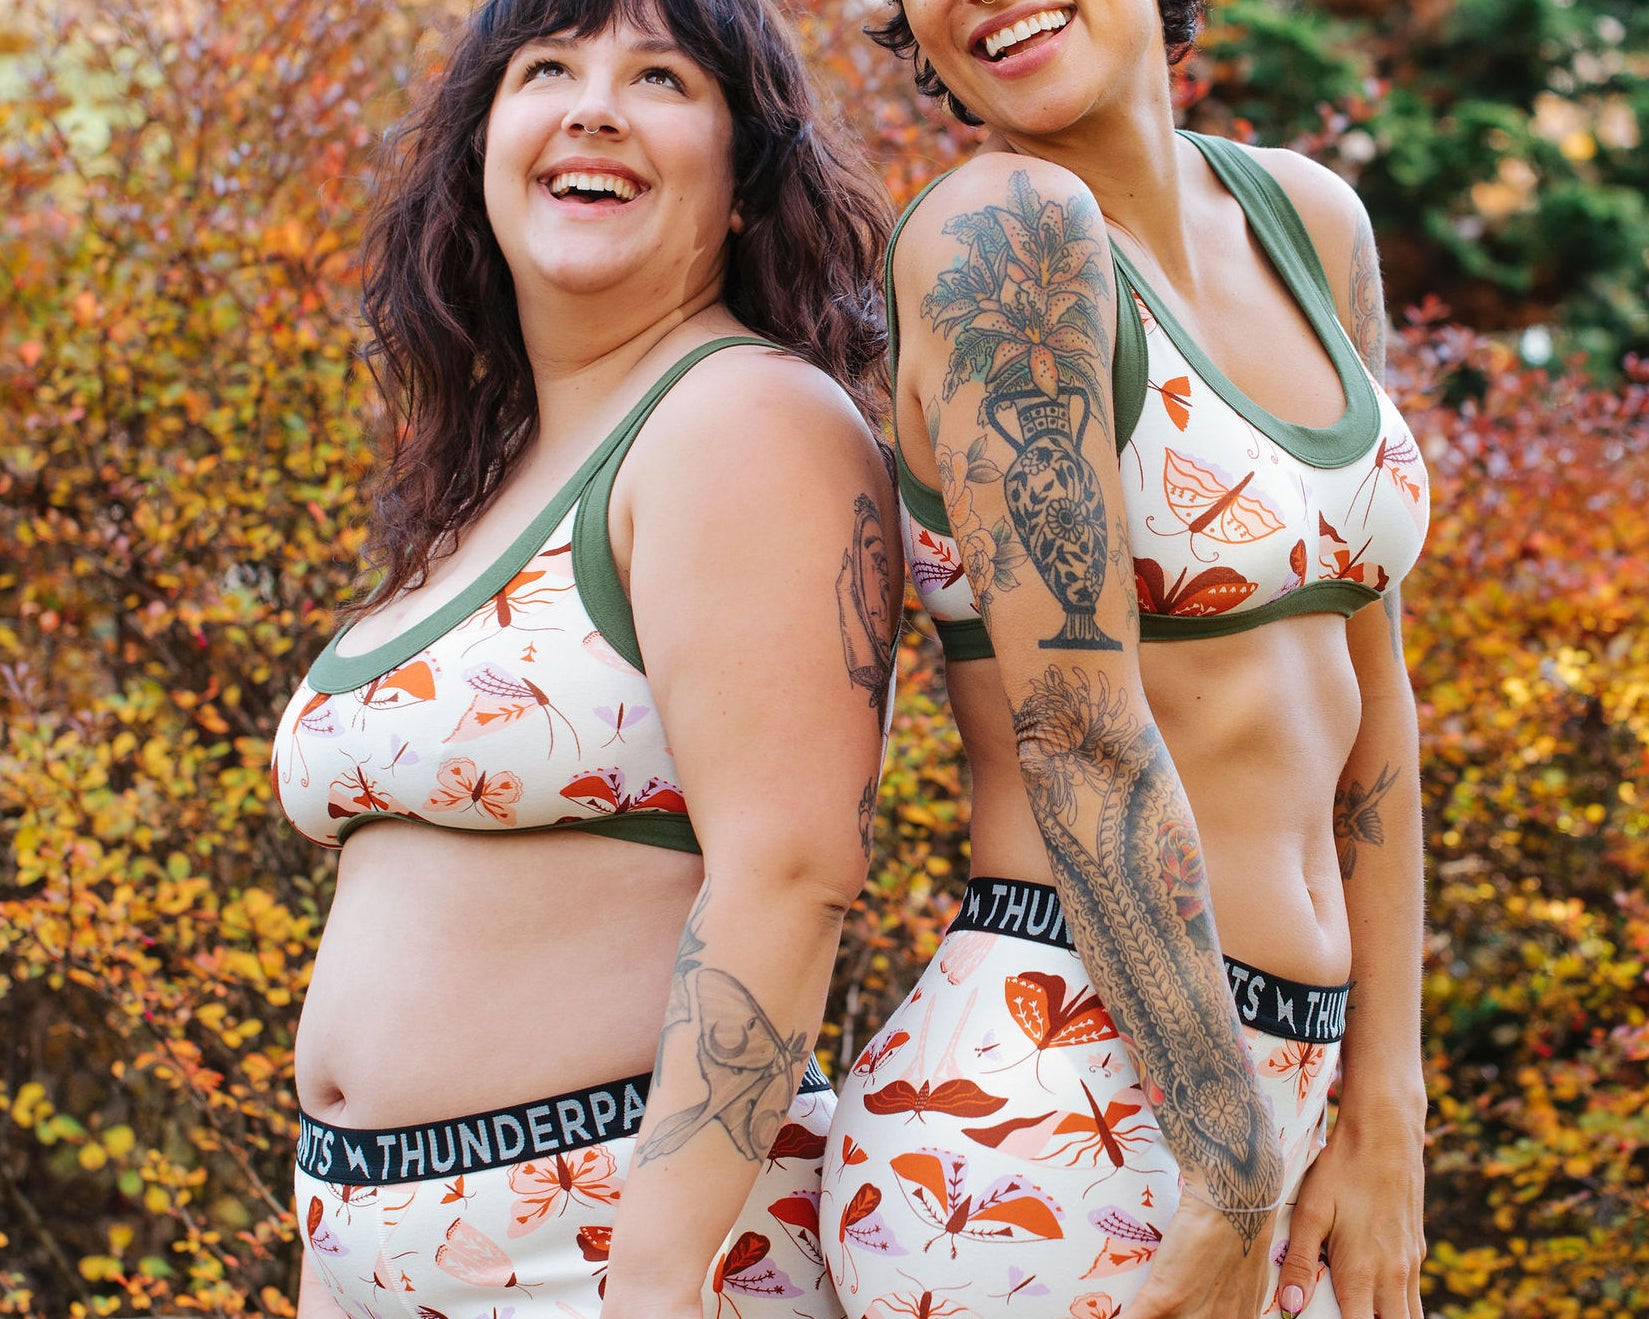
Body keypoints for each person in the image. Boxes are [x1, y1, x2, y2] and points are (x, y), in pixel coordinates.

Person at [270, 0, 898, 1313]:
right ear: (481, 144)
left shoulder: (745, 419)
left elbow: (789, 872)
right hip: (380, 1249)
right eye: (546, 66)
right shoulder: (484, 474)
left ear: (741, 182)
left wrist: (655, 1287)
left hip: (618, 1255)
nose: (591, 103)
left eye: (657, 75)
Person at [822, 2, 1428, 1318]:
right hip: (1054, 1101)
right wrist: (1228, 1176)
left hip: (1291, 1108)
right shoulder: (1003, 238)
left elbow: (1371, 690)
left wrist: (1385, 1107)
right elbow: (1077, 730)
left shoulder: (1307, 221)